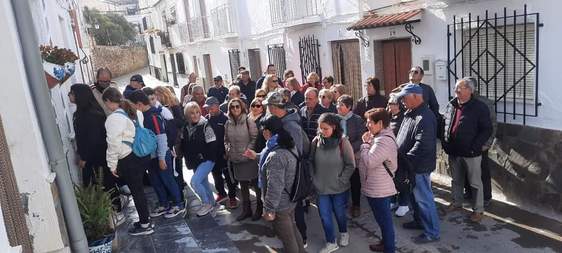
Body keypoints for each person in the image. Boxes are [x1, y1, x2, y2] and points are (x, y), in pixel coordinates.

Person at [243, 115, 305, 253]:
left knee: (287, 239)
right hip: (290, 198)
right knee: (293, 231)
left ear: (266, 132)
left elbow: (274, 185)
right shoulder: (286, 144)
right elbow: (274, 163)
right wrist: (257, 156)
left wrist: (269, 209)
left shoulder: (276, 154)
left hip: (280, 204)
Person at [102, 87, 152, 235]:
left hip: (128, 159)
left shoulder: (113, 119)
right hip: (141, 154)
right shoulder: (135, 111)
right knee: (139, 191)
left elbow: (113, 144)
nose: (106, 106)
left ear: (109, 101)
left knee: (137, 192)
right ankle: (145, 219)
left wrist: (111, 165)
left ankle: (145, 225)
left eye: (105, 103)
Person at [128, 90, 186, 219]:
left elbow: (161, 138)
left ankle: (178, 204)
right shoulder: (142, 115)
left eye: (132, 104)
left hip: (161, 155)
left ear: (138, 104)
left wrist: (161, 158)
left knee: (168, 179)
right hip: (151, 156)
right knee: (155, 181)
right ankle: (164, 203)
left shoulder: (153, 116)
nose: (131, 107)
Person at [395, 83, 440, 244]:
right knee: (414, 197)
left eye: (404, 98)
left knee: (423, 199)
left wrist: (405, 160)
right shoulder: (411, 112)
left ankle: (432, 232)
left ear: (415, 96)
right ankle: (420, 222)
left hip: (418, 166)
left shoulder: (425, 116)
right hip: (410, 165)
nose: (402, 101)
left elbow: (422, 145)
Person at [443, 78, 492, 223]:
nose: (456, 91)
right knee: (456, 180)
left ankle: (478, 210)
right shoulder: (451, 105)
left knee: (475, 183)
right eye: (456, 88)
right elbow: (444, 124)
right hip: (454, 151)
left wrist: (475, 147)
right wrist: (446, 144)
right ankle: (456, 202)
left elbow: (487, 129)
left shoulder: (479, 107)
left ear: (470, 90)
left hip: (471, 153)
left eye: (460, 88)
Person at [262, 91, 309, 245]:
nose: (267, 109)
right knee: (291, 225)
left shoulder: (290, 125)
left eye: (268, 106)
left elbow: (295, 153)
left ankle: (303, 240)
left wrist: (269, 208)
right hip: (287, 180)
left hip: (292, 181)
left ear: (274, 107)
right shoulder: (280, 121)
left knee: (294, 220)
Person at [310, 113, 355, 253]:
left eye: (325, 129)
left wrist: (341, 180)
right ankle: (331, 242)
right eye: (320, 128)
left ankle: (343, 232)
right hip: (321, 188)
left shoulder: (343, 142)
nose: (322, 132)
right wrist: (313, 178)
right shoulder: (315, 141)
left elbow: (351, 165)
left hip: (339, 188)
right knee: (324, 215)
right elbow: (310, 161)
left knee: (340, 213)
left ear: (334, 127)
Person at [359, 108, 398, 253]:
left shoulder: (383, 141)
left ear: (380, 123)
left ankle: (389, 249)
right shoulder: (379, 136)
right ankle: (385, 243)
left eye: (370, 122)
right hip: (375, 186)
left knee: (385, 222)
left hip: (380, 189)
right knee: (382, 221)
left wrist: (364, 145)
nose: (367, 125)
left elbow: (370, 161)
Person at [225, 98, 261, 221]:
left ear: (241, 108)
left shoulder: (248, 121)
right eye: (232, 107)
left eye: (237, 106)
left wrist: (247, 151)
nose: (235, 109)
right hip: (235, 158)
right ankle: (247, 210)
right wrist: (228, 151)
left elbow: (254, 137)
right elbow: (226, 140)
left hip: (248, 157)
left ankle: (259, 208)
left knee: (256, 184)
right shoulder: (228, 123)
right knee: (243, 185)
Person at [181, 102, 218, 217]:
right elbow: (184, 145)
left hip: (207, 160)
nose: (195, 115)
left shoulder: (205, 125)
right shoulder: (185, 127)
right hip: (195, 161)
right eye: (192, 113)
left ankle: (206, 203)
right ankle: (212, 203)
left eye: (197, 112)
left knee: (195, 182)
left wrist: (204, 156)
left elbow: (213, 145)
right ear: (187, 115)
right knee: (203, 182)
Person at [464, 78, 497, 207]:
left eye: (463, 87)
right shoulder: (462, 100)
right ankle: (469, 193)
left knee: (482, 170)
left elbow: (493, 124)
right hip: (465, 143)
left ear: (472, 88)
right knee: (467, 169)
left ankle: (486, 197)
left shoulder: (485, 103)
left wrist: (487, 143)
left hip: (480, 144)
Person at [204, 97, 238, 209]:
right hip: (212, 154)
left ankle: (232, 197)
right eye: (207, 108)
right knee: (216, 175)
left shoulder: (225, 119)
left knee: (229, 177)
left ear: (217, 105)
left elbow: (231, 137)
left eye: (211, 107)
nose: (209, 110)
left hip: (224, 154)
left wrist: (228, 152)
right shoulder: (206, 119)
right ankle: (221, 194)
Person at [336, 95, 365, 218]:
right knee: (341, 180)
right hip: (337, 156)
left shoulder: (357, 120)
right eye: (337, 104)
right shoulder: (334, 119)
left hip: (353, 155)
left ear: (349, 107)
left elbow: (361, 138)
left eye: (341, 105)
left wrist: (349, 148)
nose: (338, 107)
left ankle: (356, 205)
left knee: (354, 181)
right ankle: (342, 203)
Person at [154, 86, 186, 195]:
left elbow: (181, 121)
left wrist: (168, 121)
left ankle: (180, 193)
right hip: (168, 141)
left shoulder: (174, 105)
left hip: (175, 141)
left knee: (177, 167)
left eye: (156, 95)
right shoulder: (160, 107)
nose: (155, 98)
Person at [386, 92, 409, 217]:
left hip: (400, 154)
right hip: (389, 154)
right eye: (389, 103)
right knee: (392, 178)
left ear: (399, 105)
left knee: (401, 180)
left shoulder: (404, 118)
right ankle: (393, 199)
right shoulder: (389, 116)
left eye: (393, 103)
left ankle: (404, 204)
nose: (390, 105)